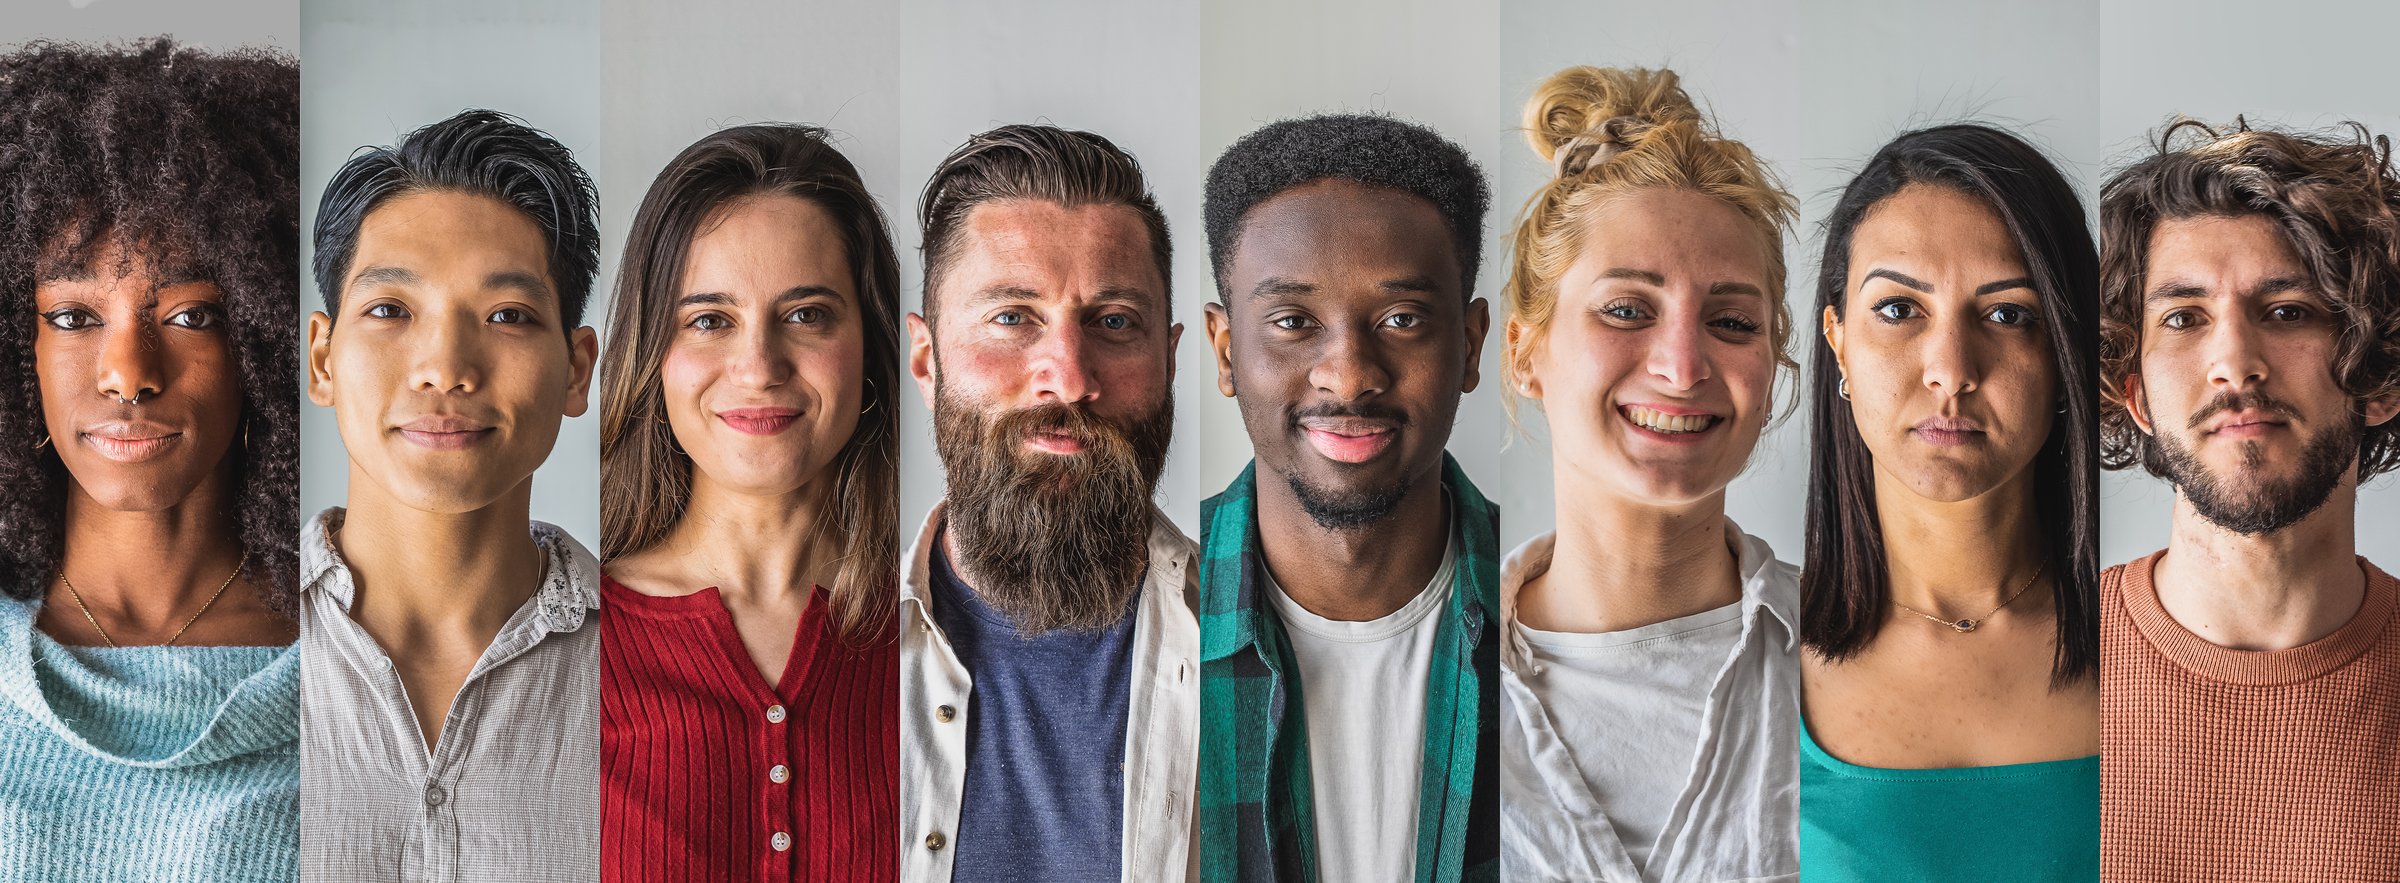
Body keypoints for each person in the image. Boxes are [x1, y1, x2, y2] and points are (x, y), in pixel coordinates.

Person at [0, 37, 300, 883]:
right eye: (72, 317)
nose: (129, 372)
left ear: (263, 343)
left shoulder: (360, 667)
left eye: (191, 315)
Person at [1492, 66, 1800, 882]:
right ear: (1526, 352)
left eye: (1732, 321)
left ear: (1772, 370)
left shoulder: (1858, 654)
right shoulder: (1426, 681)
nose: (1681, 365)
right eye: (1627, 309)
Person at [298, 109, 603, 882]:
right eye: (391, 310)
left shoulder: (662, 669)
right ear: (323, 359)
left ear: (576, 369)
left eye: (507, 315)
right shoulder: (229, 644)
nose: (444, 367)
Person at [1195, 112, 1499, 882]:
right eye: (1293, 322)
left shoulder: (1547, 608)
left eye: (1401, 319)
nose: (1349, 374)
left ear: (1469, 344)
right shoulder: (1149, 619)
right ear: (1226, 350)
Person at [2095, 119, 2400, 880]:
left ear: (2380, 376)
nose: (2234, 362)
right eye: (2183, 318)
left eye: (2287, 310)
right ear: (2133, 390)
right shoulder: (2031, 660)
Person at [596, 124, 901, 881]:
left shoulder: (948, 631)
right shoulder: (558, 643)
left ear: (870, 347)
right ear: (652, 354)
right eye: (709, 319)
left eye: (807, 314)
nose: (759, 366)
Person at [1799, 123, 2102, 881]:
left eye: (2008, 313)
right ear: (1837, 338)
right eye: (1900, 309)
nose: (1951, 369)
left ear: (2066, 351)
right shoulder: (1748, 654)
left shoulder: (2159, 649)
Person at [899, 124, 1197, 883]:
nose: (1068, 379)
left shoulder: (1258, 642)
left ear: (1169, 358)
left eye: (1114, 322)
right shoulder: (833, 654)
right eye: (1012, 317)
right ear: (926, 359)